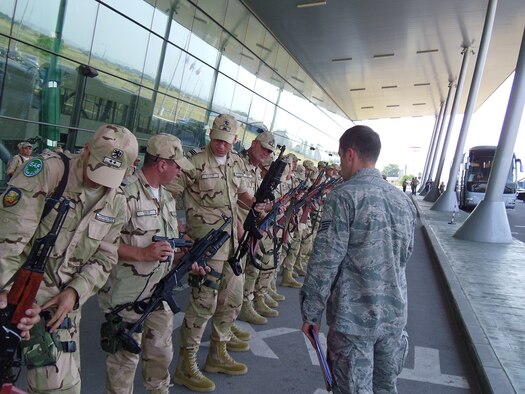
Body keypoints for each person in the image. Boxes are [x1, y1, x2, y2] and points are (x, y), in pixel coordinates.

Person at [0, 124, 139, 393]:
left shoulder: (117, 201)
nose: (100, 181)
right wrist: (6, 297)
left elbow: (106, 256)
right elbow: (7, 238)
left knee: (62, 389)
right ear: (86, 150)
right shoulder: (50, 172)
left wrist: (76, 292)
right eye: (98, 168)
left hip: (57, 307)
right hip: (12, 293)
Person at [300, 125, 416, 394]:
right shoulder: (403, 201)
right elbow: (405, 254)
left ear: (350, 154)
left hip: (352, 323)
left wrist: (311, 314)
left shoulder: (343, 196)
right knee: (386, 388)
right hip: (393, 320)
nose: (340, 166)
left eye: (341, 157)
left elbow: (325, 262)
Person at [98, 133, 200, 394]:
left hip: (159, 293)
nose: (180, 173)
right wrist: (142, 254)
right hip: (127, 297)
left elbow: (166, 248)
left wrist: (186, 260)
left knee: (160, 358)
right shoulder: (123, 193)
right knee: (123, 366)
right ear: (163, 164)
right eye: (177, 166)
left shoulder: (166, 198)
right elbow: (100, 244)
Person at [167, 114, 261, 392]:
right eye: (217, 140)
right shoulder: (193, 162)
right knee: (202, 305)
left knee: (232, 299)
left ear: (234, 140)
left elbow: (242, 194)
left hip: (232, 243)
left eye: (227, 141)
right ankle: (187, 365)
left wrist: (258, 206)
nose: (221, 146)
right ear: (210, 135)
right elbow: (168, 196)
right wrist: (178, 230)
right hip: (206, 246)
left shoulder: (235, 162)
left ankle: (217, 354)